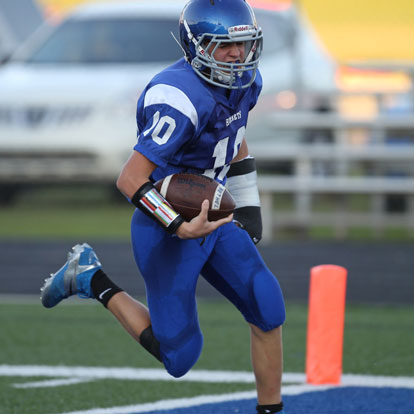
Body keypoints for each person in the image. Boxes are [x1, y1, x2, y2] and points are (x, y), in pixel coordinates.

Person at [40, 0, 286, 412]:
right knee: (180, 357)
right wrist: (177, 225)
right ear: (195, 46)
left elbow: (235, 136)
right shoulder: (180, 96)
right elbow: (130, 178)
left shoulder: (246, 81)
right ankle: (89, 277)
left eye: (242, 45)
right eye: (221, 45)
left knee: (267, 303)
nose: (235, 55)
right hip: (165, 226)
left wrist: (247, 207)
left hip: (214, 218)